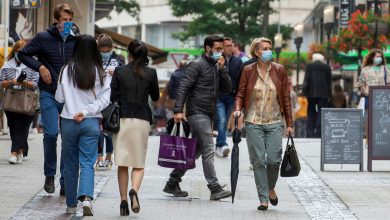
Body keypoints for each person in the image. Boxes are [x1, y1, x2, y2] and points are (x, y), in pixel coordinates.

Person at [18, 3, 79, 195]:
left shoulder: (76, 39)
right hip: (49, 93)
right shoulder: (43, 37)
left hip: (70, 97)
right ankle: (50, 175)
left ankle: (65, 180)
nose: (67, 23)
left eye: (70, 20)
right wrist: (41, 67)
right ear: (56, 20)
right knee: (51, 134)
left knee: (68, 138)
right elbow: (22, 53)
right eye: (64, 20)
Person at [163, 35, 232, 201]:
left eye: (221, 49)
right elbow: (183, 87)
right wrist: (178, 110)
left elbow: (228, 88)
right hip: (197, 112)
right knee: (209, 148)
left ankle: (172, 182)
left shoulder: (218, 66)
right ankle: (214, 188)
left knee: (194, 152)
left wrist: (223, 70)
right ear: (208, 48)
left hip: (208, 114)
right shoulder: (197, 64)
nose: (220, 52)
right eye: (217, 49)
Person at [233, 37, 293, 211]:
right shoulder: (248, 70)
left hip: (274, 120)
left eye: (270, 48)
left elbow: (286, 98)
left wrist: (289, 123)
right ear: (257, 52)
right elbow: (240, 93)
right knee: (258, 161)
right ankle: (263, 198)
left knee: (274, 161)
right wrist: (237, 109)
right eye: (265, 48)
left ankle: (270, 186)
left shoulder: (279, 70)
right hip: (253, 121)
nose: (269, 51)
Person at [55, 34, 111, 215]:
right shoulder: (100, 72)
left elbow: (59, 98)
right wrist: (86, 111)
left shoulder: (66, 70)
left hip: (69, 121)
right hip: (90, 122)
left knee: (70, 165)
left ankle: (71, 205)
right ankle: (86, 198)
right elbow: (105, 99)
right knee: (87, 163)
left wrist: (74, 105)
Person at [111, 40, 159, 216]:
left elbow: (112, 96)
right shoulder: (151, 73)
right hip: (142, 120)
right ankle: (135, 191)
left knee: (123, 163)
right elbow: (154, 97)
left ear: (129, 53)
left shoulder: (120, 71)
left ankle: (123, 200)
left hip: (123, 119)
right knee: (138, 163)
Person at [0, 40, 39, 164]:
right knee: (13, 127)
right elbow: (1, 82)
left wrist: (25, 82)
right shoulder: (7, 65)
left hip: (26, 102)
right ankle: (20, 150)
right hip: (10, 100)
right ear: (14, 52)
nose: (19, 55)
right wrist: (11, 81)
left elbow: (35, 85)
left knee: (21, 127)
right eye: (17, 52)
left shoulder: (33, 65)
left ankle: (13, 153)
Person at [95, 34, 124, 171]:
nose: (105, 53)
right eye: (103, 50)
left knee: (110, 128)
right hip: (98, 96)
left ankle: (109, 157)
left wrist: (117, 73)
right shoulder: (94, 58)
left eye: (107, 50)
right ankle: (99, 157)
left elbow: (125, 74)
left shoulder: (119, 58)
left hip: (113, 98)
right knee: (99, 130)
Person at [215, 37, 243, 157]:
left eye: (231, 45)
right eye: (227, 46)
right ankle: (223, 144)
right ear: (222, 48)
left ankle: (218, 145)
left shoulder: (238, 61)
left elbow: (240, 81)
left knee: (225, 121)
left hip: (231, 96)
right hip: (219, 96)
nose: (230, 48)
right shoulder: (216, 61)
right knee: (221, 120)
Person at [302, 53, 332, 138]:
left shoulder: (309, 66)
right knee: (321, 112)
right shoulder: (327, 67)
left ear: (313, 59)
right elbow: (329, 82)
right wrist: (330, 94)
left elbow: (306, 80)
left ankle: (310, 133)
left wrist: (304, 92)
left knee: (311, 112)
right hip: (324, 94)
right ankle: (319, 132)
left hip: (311, 93)